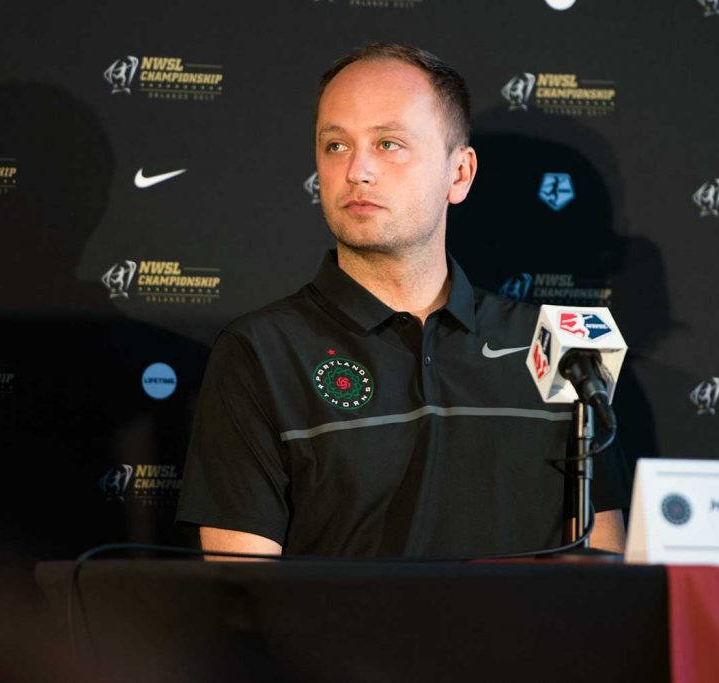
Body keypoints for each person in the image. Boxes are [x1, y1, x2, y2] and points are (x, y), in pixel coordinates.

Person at [176, 43, 629, 557]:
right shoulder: (260, 351)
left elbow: (602, 573)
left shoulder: (559, 346)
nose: (357, 171)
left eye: (389, 144)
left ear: (459, 174)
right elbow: (242, 592)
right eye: (335, 146)